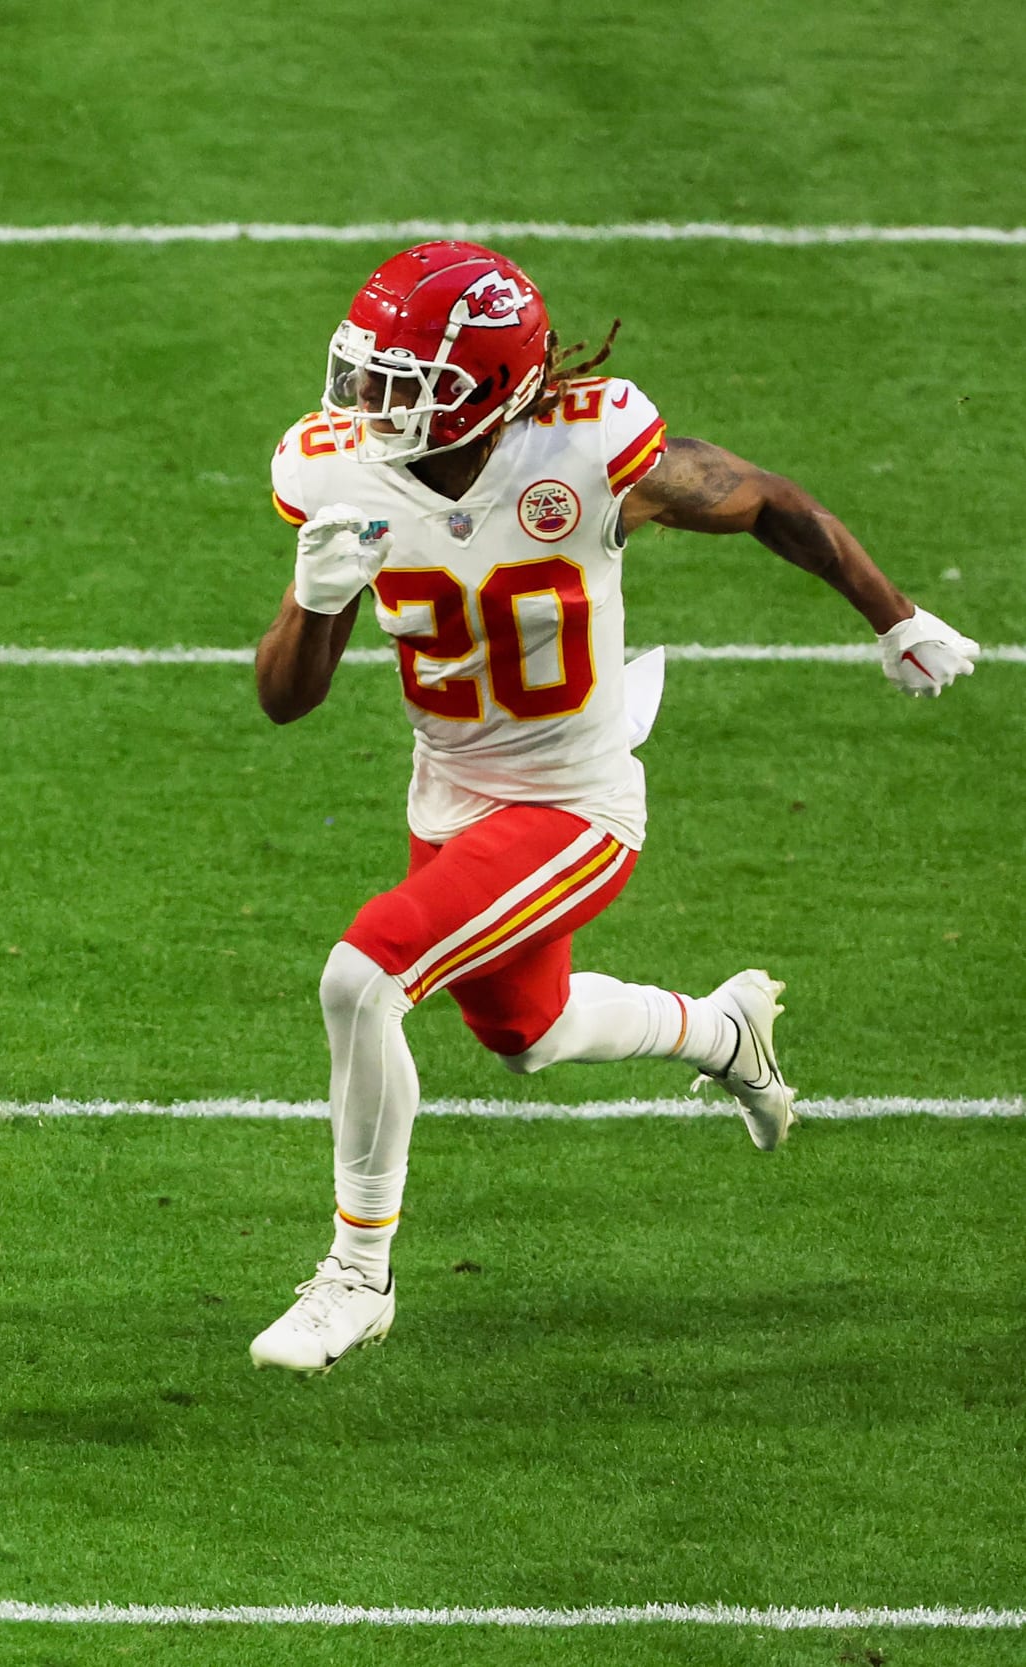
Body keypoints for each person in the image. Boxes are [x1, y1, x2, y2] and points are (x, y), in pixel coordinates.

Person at [249, 241, 979, 1375]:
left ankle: (356, 1274)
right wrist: (313, 597)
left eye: (407, 382)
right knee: (524, 1035)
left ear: (486, 390)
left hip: (575, 801)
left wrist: (894, 615)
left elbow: (767, 502)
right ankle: (720, 1029)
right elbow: (285, 701)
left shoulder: (586, 452)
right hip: (451, 794)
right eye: (367, 371)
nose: (370, 402)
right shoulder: (339, 473)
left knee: (364, 975)